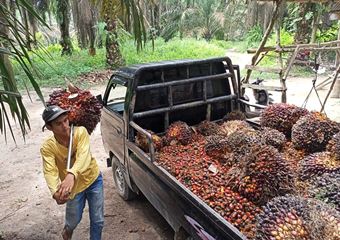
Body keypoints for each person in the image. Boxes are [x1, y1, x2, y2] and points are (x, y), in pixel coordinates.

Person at [40, 105, 104, 240]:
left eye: (65, 120)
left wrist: (72, 174)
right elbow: (50, 171)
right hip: (73, 189)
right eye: (58, 124)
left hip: (93, 180)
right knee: (73, 220)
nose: (64, 126)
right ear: (49, 127)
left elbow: (84, 156)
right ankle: (67, 231)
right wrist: (55, 192)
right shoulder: (48, 147)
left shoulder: (80, 132)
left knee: (98, 220)